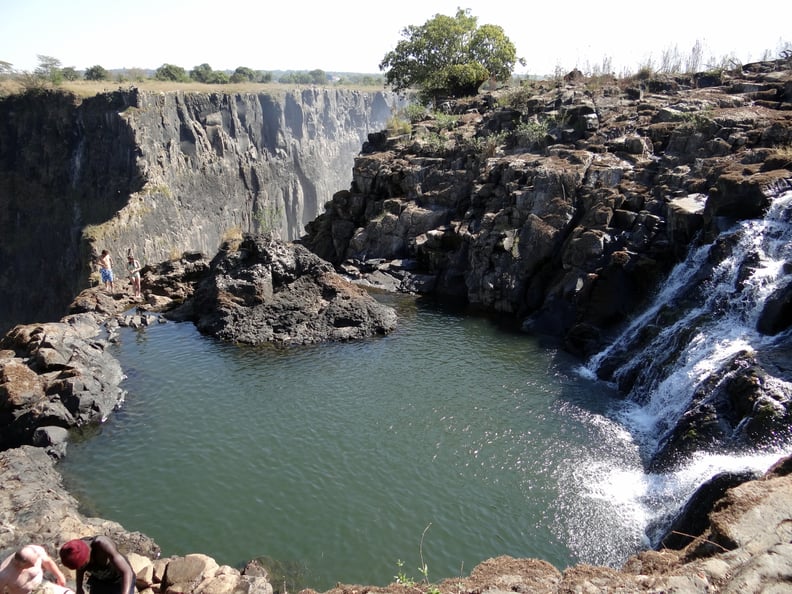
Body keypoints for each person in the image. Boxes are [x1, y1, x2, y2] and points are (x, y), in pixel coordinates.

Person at [58, 537, 135, 594]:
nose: (81, 568)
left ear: (87, 555)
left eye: (82, 565)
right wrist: (79, 588)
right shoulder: (74, 550)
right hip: (99, 580)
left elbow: (127, 572)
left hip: (120, 581)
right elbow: (79, 568)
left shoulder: (102, 545)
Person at [0, 544, 74, 594]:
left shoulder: (36, 550)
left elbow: (47, 562)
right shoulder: (4, 575)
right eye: (31, 564)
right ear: (22, 564)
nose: (35, 565)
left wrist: (59, 576)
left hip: (42, 585)